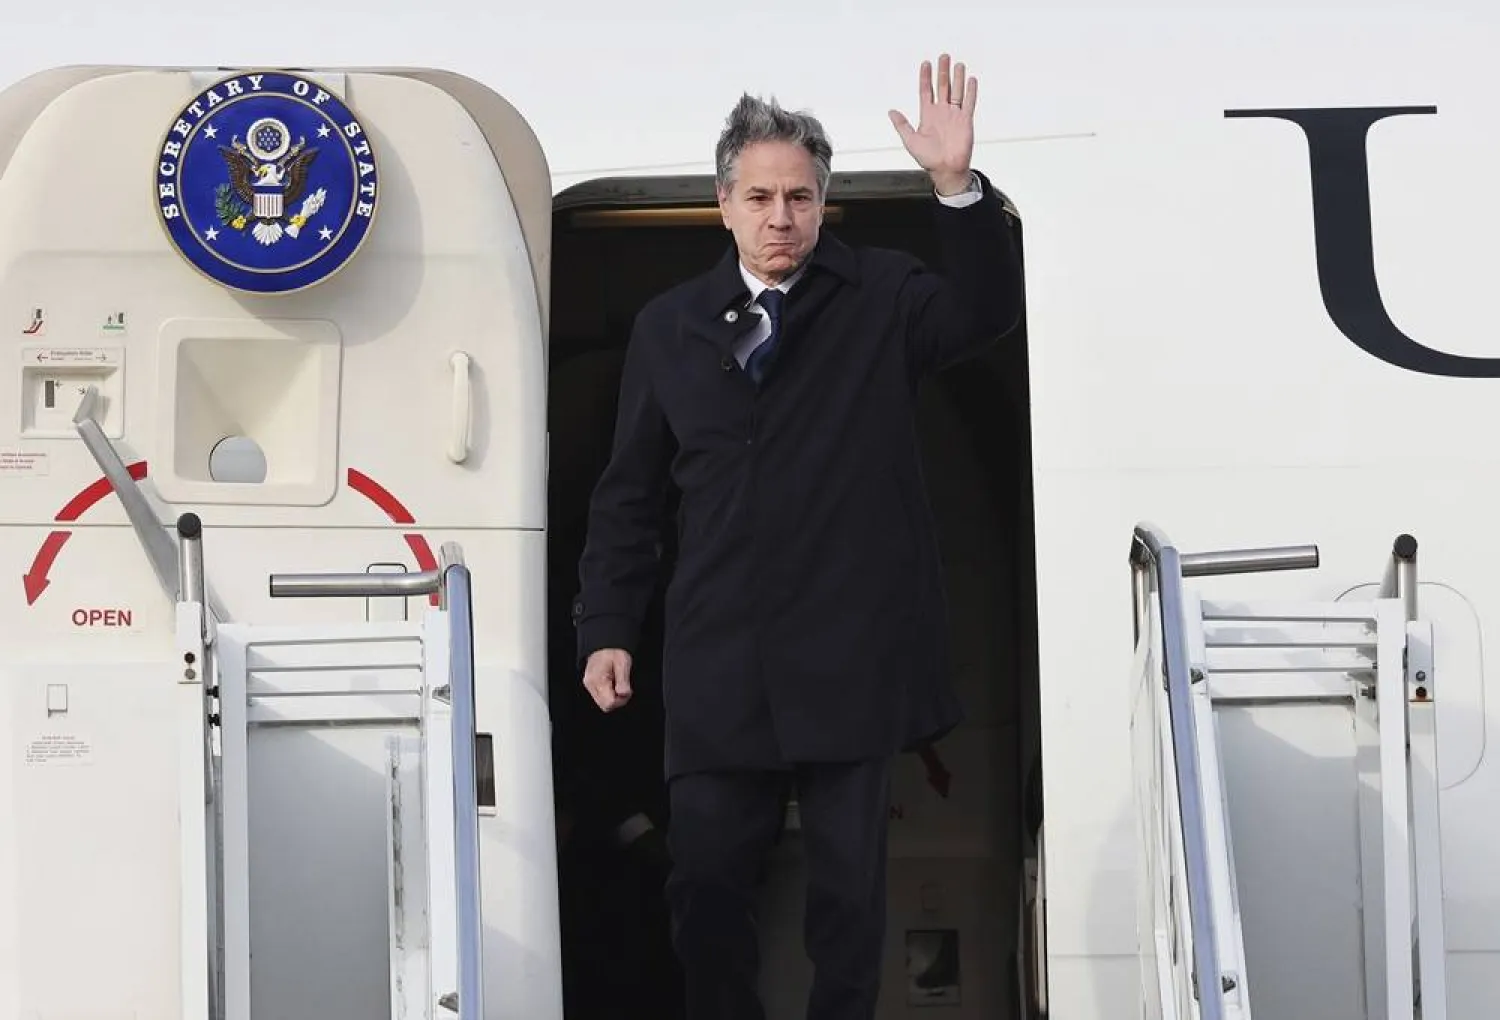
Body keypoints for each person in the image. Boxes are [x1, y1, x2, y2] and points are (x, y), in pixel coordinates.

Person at [571, 53, 1024, 1020]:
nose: (783, 217)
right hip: (719, 655)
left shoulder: (881, 299)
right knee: (705, 890)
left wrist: (955, 188)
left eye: (803, 198)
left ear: (825, 207)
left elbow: (984, 313)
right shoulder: (671, 327)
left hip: (845, 653)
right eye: (763, 197)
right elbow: (630, 496)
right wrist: (606, 626)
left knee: (848, 902)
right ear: (723, 205)